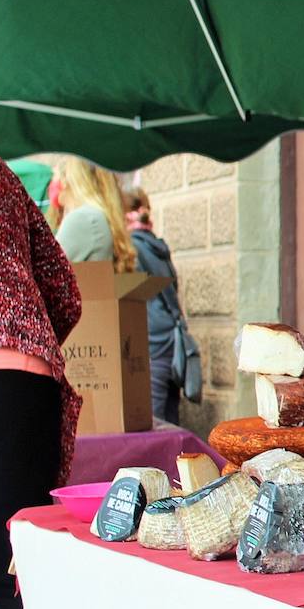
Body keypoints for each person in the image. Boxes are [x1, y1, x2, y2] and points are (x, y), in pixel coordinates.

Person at [0, 139, 83, 609]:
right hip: (18, 377)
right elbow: (63, 289)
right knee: (21, 571)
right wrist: (19, 346)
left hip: (9, 371)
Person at [123, 187, 184, 423]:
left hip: (152, 340)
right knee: (171, 416)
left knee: (155, 420)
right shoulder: (157, 245)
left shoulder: (132, 247)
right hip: (171, 338)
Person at [53, 156, 137, 272]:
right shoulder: (97, 216)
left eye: (55, 175)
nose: (53, 181)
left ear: (67, 179)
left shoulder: (83, 219)